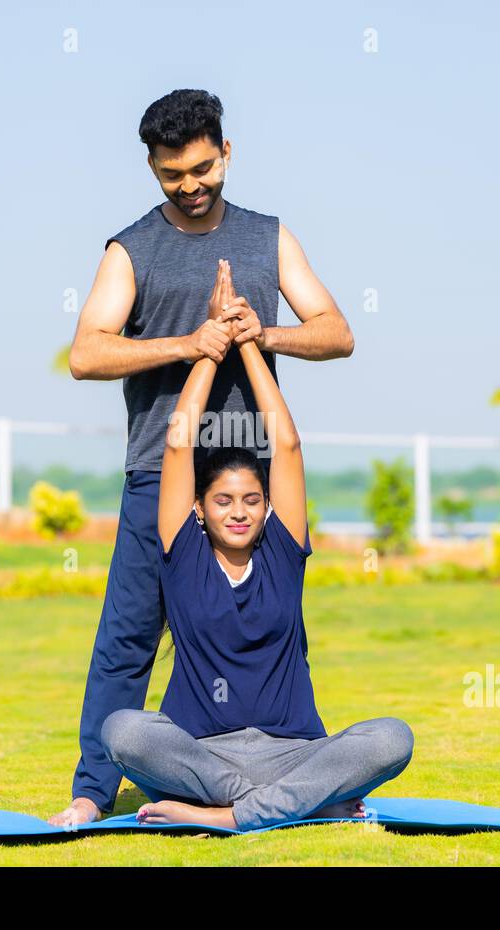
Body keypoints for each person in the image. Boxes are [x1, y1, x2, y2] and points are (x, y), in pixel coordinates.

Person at [49, 89, 356, 828]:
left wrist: (262, 332)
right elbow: (86, 353)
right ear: (152, 168)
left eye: (200, 168)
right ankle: (92, 792)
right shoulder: (130, 249)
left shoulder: (267, 238)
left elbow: (337, 332)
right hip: (163, 471)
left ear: (226, 153)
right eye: (170, 174)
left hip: (251, 478)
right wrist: (192, 342)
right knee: (126, 639)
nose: (188, 185)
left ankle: (296, 771)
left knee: (279, 635)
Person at [96, 259, 413, 830]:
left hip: (293, 752)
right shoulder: (183, 553)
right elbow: (176, 443)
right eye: (223, 501)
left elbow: (285, 444)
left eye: (250, 500)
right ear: (198, 508)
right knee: (122, 730)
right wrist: (209, 346)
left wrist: (250, 340)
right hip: (199, 755)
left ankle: (232, 814)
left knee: (392, 738)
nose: (239, 512)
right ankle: (285, 805)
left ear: (267, 506)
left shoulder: (282, 554)